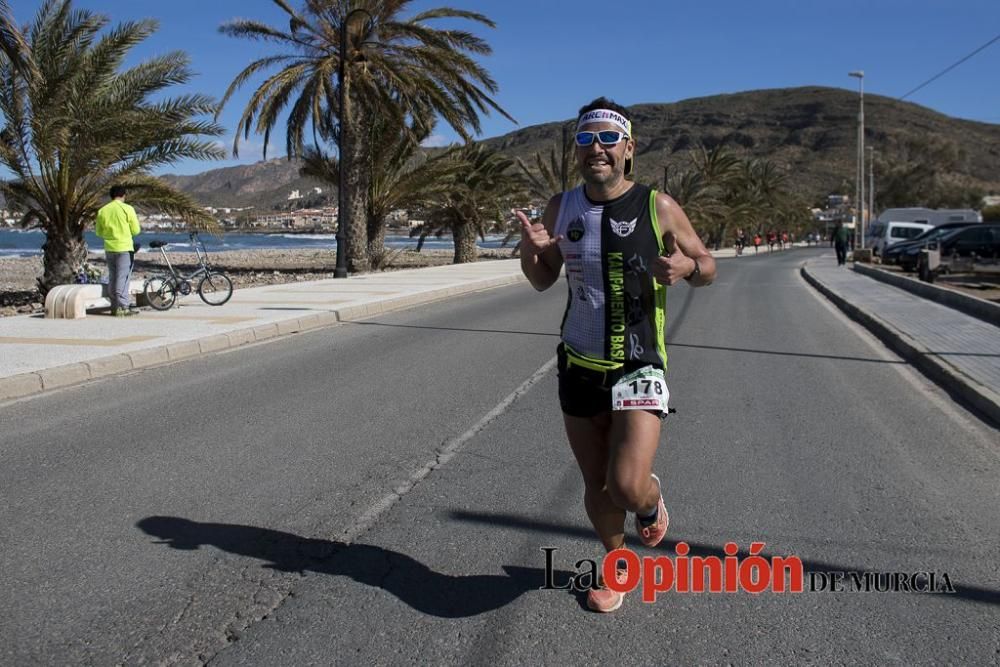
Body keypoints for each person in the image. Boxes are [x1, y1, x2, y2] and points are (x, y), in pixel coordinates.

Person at [518, 98, 716, 613]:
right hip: (578, 364)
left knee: (626, 486)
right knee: (595, 483)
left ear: (628, 149)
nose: (596, 149)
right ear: (576, 151)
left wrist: (688, 271)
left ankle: (650, 503)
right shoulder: (560, 208)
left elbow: (708, 264)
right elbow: (542, 280)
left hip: (639, 366)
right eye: (585, 140)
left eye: (608, 139)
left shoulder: (659, 206)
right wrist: (529, 249)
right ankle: (617, 564)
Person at [95, 185, 141, 316]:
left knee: (113, 277)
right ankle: (123, 307)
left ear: (111, 195)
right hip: (125, 248)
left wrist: (110, 235)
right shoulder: (127, 209)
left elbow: (98, 232)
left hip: (109, 248)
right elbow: (136, 230)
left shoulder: (103, 210)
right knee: (123, 277)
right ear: (124, 195)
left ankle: (114, 306)